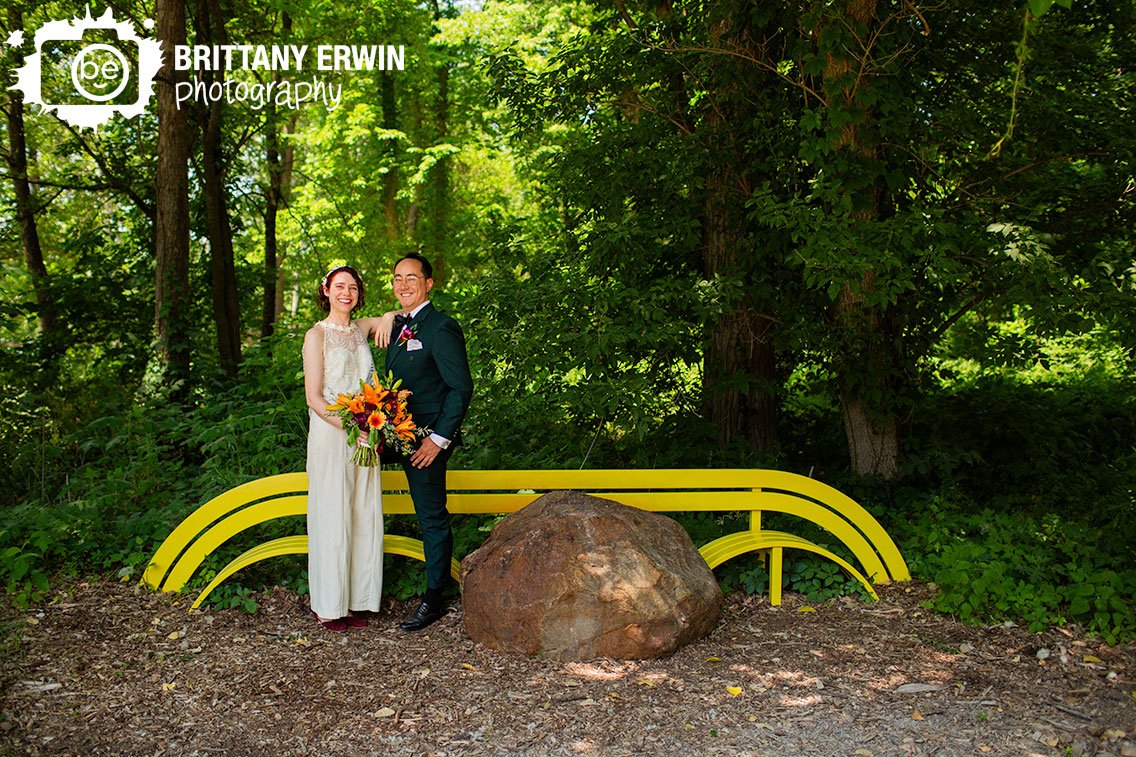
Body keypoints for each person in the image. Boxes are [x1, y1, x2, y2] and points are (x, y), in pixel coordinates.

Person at [380, 253, 474, 631]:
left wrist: (438, 440)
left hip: (425, 443)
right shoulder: (398, 325)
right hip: (393, 436)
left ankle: (433, 599)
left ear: (429, 283)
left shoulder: (441, 327)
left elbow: (460, 388)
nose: (403, 285)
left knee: (431, 519)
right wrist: (388, 317)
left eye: (412, 278)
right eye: (397, 278)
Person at [302, 265, 396, 632]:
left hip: (365, 433)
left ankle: (357, 600)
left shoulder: (360, 329)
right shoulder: (316, 335)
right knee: (333, 513)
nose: (347, 293)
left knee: (362, 511)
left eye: (353, 287)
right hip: (332, 433)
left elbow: (397, 315)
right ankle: (329, 604)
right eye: (339, 286)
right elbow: (313, 398)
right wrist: (354, 427)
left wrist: (388, 315)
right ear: (326, 290)